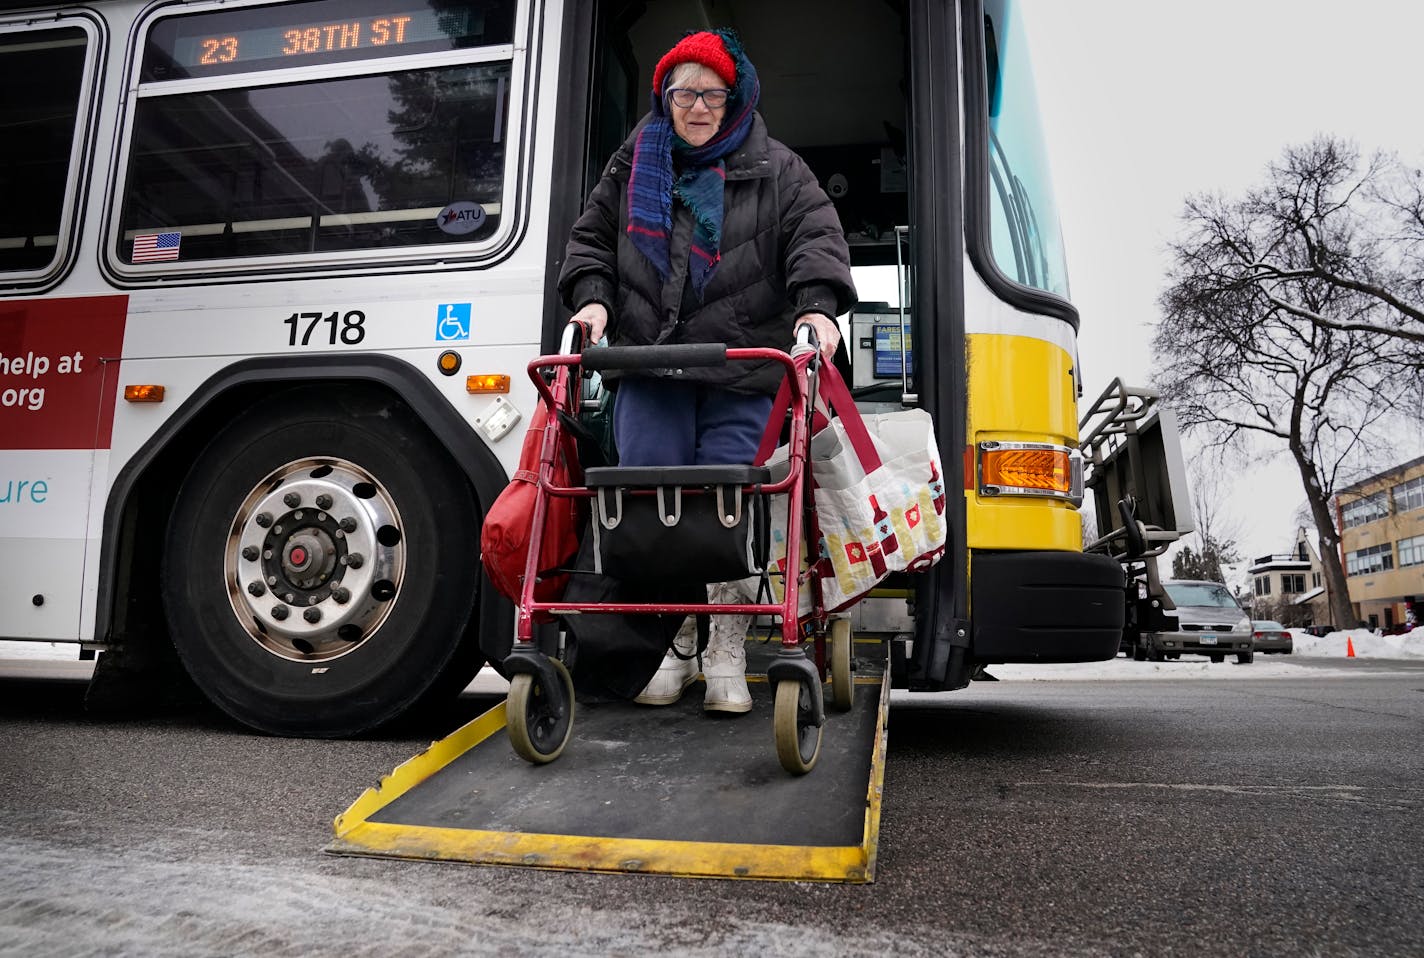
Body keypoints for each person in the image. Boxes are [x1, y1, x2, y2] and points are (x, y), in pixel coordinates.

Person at [558, 28, 855, 713]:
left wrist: (817, 311)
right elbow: (591, 242)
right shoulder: (633, 162)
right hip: (650, 365)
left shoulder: (779, 168)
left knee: (729, 505)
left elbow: (817, 238)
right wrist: (594, 303)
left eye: (710, 94)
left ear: (735, 96)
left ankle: (725, 647)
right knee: (654, 507)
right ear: (665, 97)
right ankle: (673, 642)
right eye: (682, 93)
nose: (696, 107)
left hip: (741, 370)